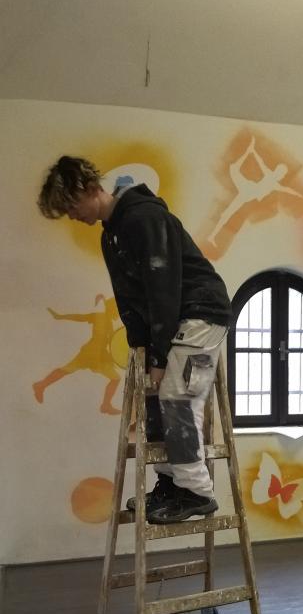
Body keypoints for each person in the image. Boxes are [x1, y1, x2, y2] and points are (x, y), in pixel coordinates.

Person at [38, 155, 231, 525]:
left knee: (177, 397)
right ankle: (171, 485)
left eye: (71, 207)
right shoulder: (111, 234)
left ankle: (197, 492)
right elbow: (130, 302)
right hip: (174, 317)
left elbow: (162, 292)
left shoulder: (144, 218)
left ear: (90, 189)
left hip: (201, 311)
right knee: (154, 398)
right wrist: (141, 353)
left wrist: (159, 358)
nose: (72, 216)